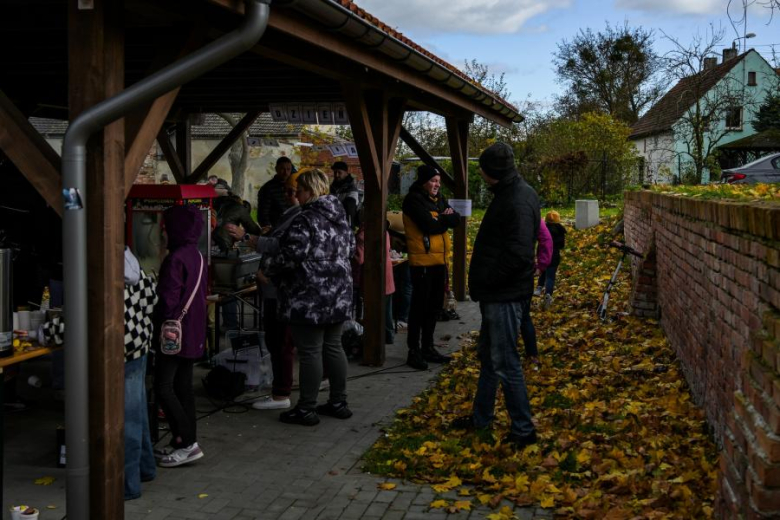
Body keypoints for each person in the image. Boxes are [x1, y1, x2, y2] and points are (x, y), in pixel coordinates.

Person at [457, 142, 539, 450]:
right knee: (490, 359)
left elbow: (518, 255)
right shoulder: (514, 192)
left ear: (493, 172)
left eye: (483, 168)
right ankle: (482, 417)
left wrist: (488, 282)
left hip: (504, 295)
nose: (479, 172)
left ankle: (523, 430)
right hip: (501, 293)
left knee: (505, 362)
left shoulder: (515, 199)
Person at [261, 169, 355, 426]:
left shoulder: (306, 220)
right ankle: (339, 401)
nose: (296, 196)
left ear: (310, 191)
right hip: (339, 293)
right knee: (334, 347)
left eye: (299, 191)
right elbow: (351, 249)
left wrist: (269, 269)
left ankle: (306, 408)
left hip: (309, 296)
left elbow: (290, 256)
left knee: (310, 350)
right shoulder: (341, 216)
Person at [226, 170, 306, 410]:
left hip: (279, 288)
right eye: (287, 190)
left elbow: (282, 247)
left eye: (293, 190)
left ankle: (281, 393)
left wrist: (247, 237)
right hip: (276, 287)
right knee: (279, 340)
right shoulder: (293, 213)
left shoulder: (300, 216)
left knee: (281, 341)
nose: (289, 194)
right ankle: (282, 388)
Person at [154, 204, 208, 467]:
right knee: (183, 388)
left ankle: (187, 442)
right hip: (193, 329)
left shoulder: (174, 259)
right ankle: (182, 440)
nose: (162, 230)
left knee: (164, 386)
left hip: (173, 333)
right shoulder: (197, 255)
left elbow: (168, 300)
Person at [402, 165, 460, 370]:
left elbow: (455, 219)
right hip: (422, 262)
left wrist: (440, 218)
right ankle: (413, 351)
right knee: (419, 308)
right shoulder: (413, 200)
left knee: (435, 307)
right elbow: (429, 226)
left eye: (438, 181)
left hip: (440, 261)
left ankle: (428, 347)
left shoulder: (438, 199)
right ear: (423, 181)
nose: (436, 185)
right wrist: (442, 218)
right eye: (433, 181)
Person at [123, 247, 157, 499]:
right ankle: (145, 468)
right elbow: (151, 300)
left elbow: (79, 317)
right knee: (139, 413)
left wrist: (44, 332)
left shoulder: (102, 274)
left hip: (122, 352)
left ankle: (127, 484)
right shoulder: (131, 261)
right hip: (141, 346)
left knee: (129, 419)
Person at [352, 215, 395, 345]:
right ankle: (389, 335)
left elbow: (359, 259)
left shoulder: (363, 234)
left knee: (372, 310)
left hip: (373, 277)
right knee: (387, 309)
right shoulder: (384, 230)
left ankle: (374, 339)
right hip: (387, 275)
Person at [520, 220, 552, 367]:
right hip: (524, 270)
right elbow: (546, 239)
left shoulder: (501, 208)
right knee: (524, 316)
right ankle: (532, 354)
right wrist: (541, 265)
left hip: (505, 273)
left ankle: (493, 351)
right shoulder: (531, 212)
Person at [537, 211, 567, 309]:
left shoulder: (544, 229)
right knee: (550, 277)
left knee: (543, 271)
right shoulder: (560, 230)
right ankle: (548, 294)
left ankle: (539, 287)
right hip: (554, 256)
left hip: (544, 254)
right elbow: (562, 245)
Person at [257, 156, 294, 230]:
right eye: (282, 169)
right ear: (276, 169)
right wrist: (269, 231)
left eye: (288, 169)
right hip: (276, 229)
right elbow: (263, 214)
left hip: (292, 228)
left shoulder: (293, 186)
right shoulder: (267, 188)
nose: (286, 172)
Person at [330, 161, 360, 227]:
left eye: (339, 172)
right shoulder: (332, 187)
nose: (336, 175)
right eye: (335, 172)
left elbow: (350, 209)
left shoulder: (352, 188)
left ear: (346, 173)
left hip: (345, 225)